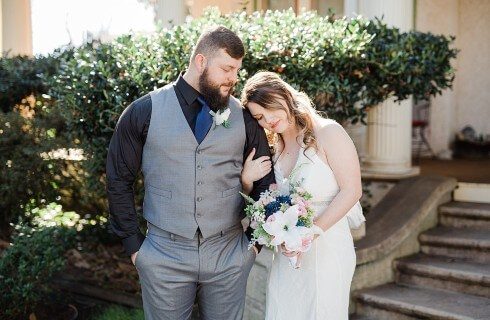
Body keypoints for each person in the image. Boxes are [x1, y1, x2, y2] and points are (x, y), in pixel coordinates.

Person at [106, 26, 275, 320]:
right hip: (163, 253)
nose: (233, 78)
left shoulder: (244, 117)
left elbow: (266, 183)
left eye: (236, 70)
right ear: (200, 62)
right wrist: (136, 248)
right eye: (226, 69)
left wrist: (253, 245)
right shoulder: (142, 111)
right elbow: (119, 179)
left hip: (229, 252)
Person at [241, 71, 363, 320]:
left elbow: (352, 190)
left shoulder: (329, 132)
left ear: (284, 95)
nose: (268, 120)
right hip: (285, 255)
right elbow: (263, 201)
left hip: (326, 249)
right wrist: (246, 179)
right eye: (259, 117)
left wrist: (310, 233)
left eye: (269, 108)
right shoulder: (274, 150)